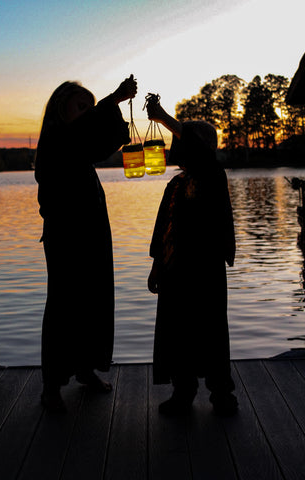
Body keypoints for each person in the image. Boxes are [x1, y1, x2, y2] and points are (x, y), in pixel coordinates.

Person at [35, 75, 137, 412]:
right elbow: (80, 135)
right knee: (63, 306)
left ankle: (85, 369)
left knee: (94, 300)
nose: (86, 112)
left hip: (93, 230)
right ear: (60, 105)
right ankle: (52, 385)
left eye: (89, 107)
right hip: (66, 234)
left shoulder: (77, 141)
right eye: (81, 106)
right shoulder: (55, 137)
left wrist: (116, 117)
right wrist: (113, 100)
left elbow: (101, 145)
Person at [146, 99, 238, 416]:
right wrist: (157, 268)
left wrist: (163, 117)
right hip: (174, 273)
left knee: (212, 331)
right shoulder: (174, 185)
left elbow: (200, 151)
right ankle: (183, 392)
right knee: (178, 333)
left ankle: (222, 392)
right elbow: (163, 232)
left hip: (206, 271)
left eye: (187, 140)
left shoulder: (213, 177)